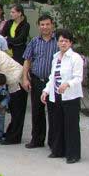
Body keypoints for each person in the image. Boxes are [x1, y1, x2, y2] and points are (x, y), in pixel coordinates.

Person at [41, 29, 83, 164]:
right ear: (57, 42)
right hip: (56, 95)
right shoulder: (55, 57)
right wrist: (46, 91)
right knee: (57, 123)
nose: (63, 43)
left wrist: (67, 84)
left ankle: (73, 154)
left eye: (66, 40)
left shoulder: (75, 58)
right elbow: (52, 77)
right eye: (61, 40)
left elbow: (78, 78)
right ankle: (58, 150)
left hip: (70, 96)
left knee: (71, 126)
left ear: (70, 43)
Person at [22, 14, 57, 149]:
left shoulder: (58, 42)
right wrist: (25, 77)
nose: (45, 27)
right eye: (42, 24)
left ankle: (54, 143)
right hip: (37, 80)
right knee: (37, 112)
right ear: (38, 26)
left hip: (53, 82)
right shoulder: (34, 41)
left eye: (47, 24)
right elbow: (27, 60)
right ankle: (37, 140)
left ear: (52, 25)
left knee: (53, 112)